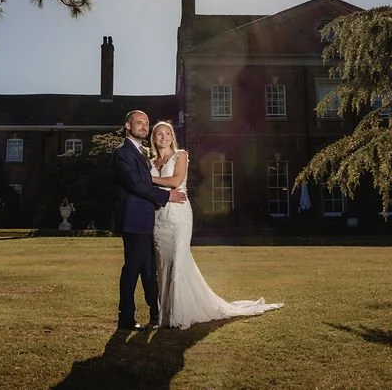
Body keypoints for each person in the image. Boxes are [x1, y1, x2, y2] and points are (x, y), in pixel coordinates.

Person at [148, 120, 283, 329]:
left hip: (178, 216)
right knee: (163, 266)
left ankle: (178, 315)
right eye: (159, 134)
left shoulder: (180, 155)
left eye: (167, 133)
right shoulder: (152, 163)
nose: (163, 137)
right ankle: (164, 315)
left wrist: (148, 180)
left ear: (172, 136)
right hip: (159, 217)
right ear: (153, 138)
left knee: (178, 261)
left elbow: (176, 181)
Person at [112, 110, 187, 331]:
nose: (144, 126)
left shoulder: (143, 153)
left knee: (148, 270)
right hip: (133, 219)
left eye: (146, 123)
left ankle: (156, 313)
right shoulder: (123, 153)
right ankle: (125, 317)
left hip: (149, 220)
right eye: (138, 122)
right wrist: (166, 196)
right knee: (132, 268)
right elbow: (136, 184)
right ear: (127, 125)